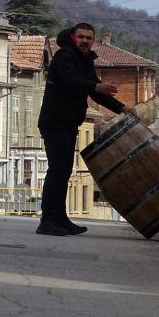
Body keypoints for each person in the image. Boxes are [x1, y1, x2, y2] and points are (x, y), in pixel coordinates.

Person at [36, 23, 131, 236]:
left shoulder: (86, 60)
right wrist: (95, 86)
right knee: (58, 169)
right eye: (81, 37)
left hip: (69, 122)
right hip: (55, 121)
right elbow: (72, 81)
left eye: (89, 38)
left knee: (64, 171)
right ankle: (47, 219)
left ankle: (60, 218)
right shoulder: (64, 56)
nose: (85, 41)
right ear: (73, 37)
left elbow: (96, 93)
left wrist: (123, 108)